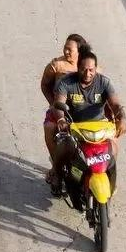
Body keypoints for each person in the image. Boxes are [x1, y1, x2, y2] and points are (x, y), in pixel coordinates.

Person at [48, 48, 126, 195]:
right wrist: (61, 119)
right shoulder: (66, 82)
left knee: (113, 148)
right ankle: (57, 175)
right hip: (74, 127)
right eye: (84, 69)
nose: (87, 73)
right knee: (65, 147)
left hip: (99, 128)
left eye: (91, 70)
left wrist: (122, 117)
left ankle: (110, 179)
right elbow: (58, 103)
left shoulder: (104, 82)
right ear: (78, 68)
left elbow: (115, 104)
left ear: (96, 69)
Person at [41, 34, 88, 184]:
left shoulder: (89, 66)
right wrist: (53, 104)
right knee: (49, 127)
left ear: (80, 51)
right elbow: (45, 85)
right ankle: (56, 168)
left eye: (70, 49)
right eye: (65, 48)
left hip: (83, 111)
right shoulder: (57, 65)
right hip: (61, 110)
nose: (66, 52)